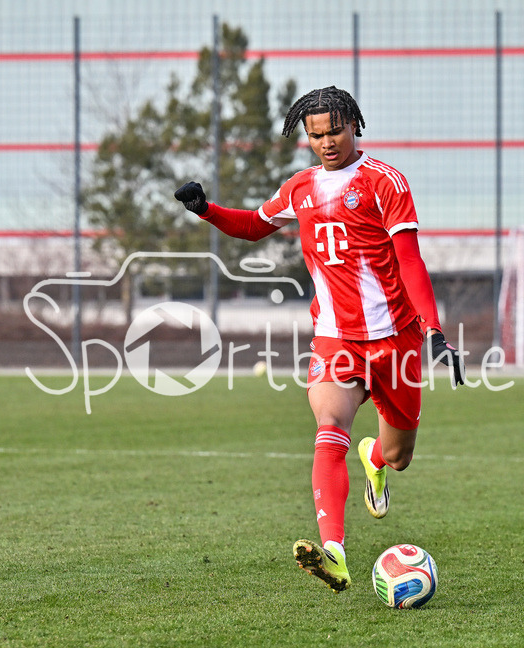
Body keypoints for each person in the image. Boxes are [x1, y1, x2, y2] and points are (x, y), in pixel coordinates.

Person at [175, 85, 464, 592]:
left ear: (354, 124)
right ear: (305, 137)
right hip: (335, 339)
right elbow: (253, 226)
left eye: (334, 131)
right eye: (315, 135)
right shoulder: (300, 187)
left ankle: (374, 460)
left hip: (394, 340)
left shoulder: (385, 183)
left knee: (399, 454)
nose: (326, 142)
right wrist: (207, 211)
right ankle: (334, 552)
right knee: (329, 425)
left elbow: (410, 261)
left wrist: (433, 328)